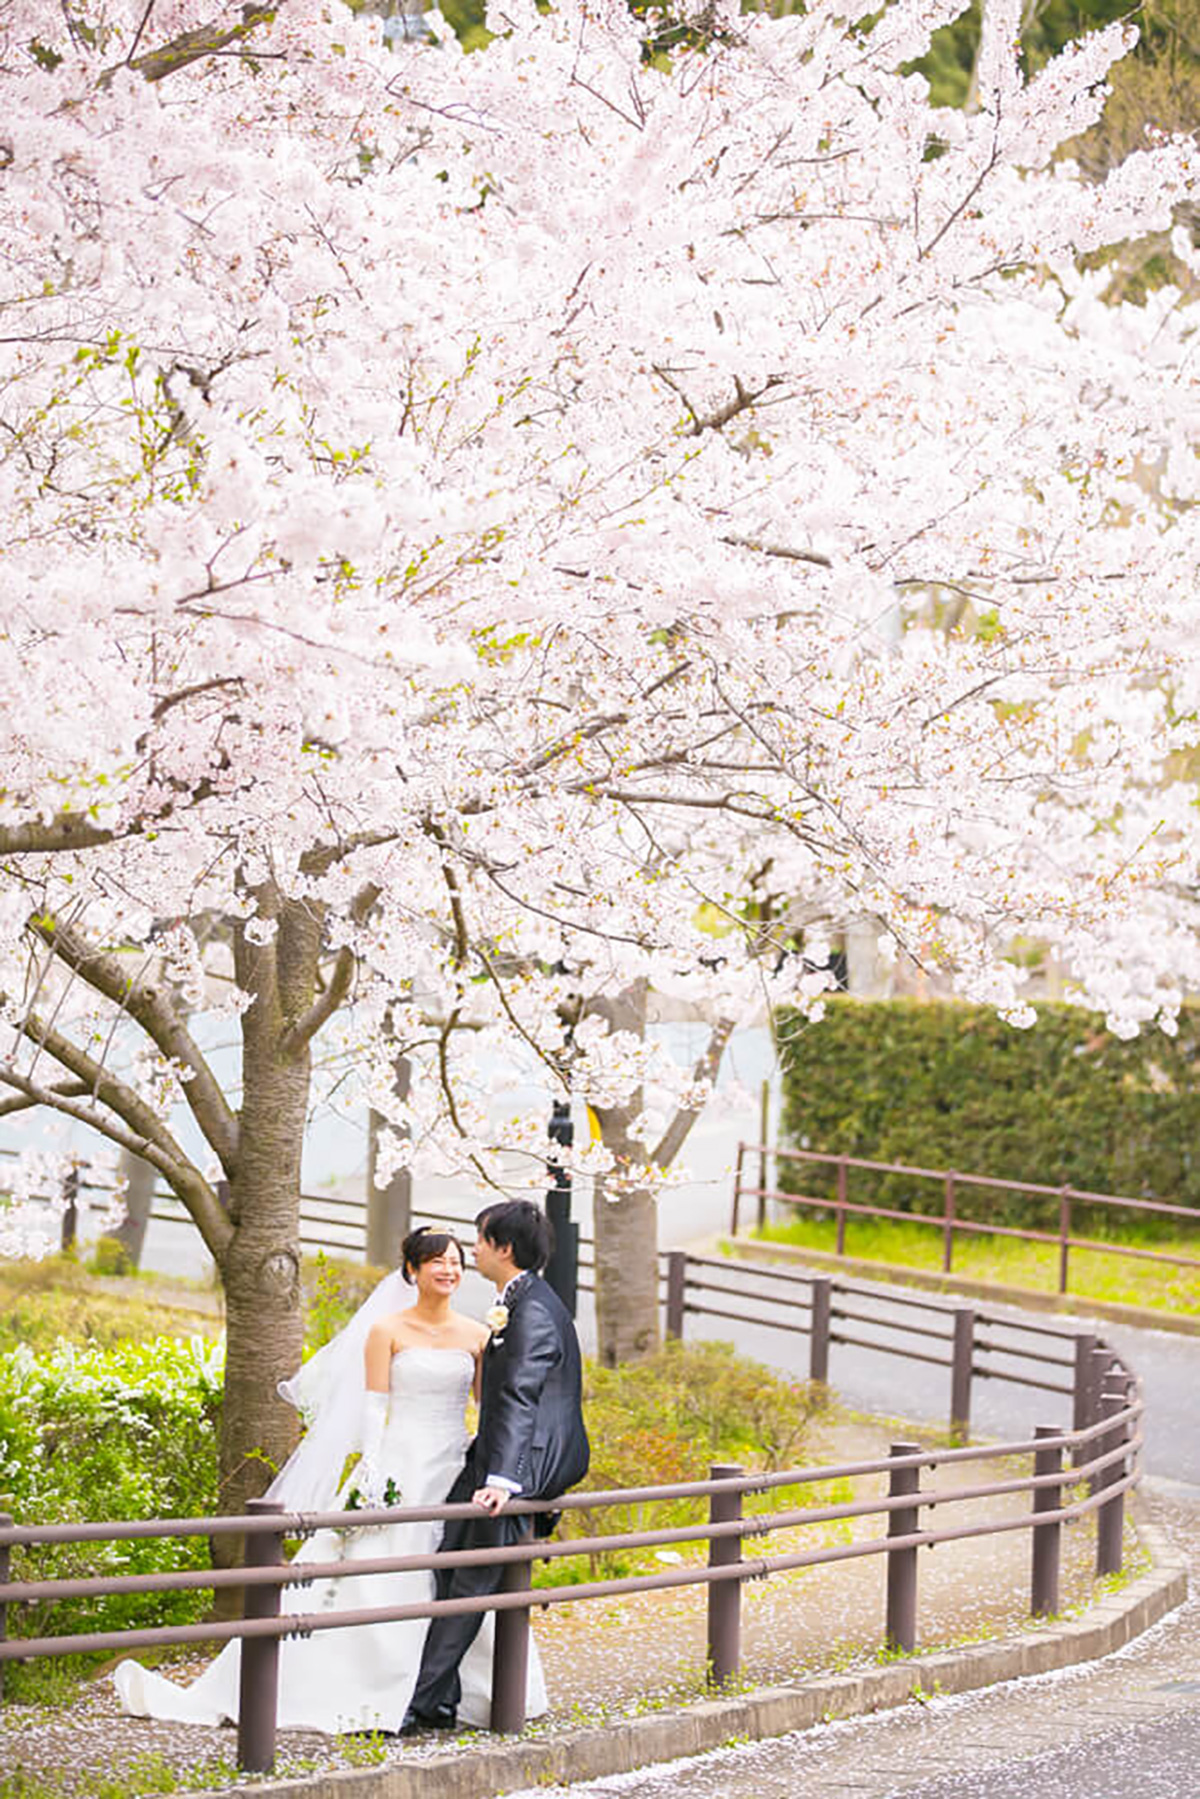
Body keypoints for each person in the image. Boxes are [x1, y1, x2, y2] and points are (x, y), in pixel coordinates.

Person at [113, 1225, 548, 1734]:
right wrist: (374, 1467)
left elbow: (491, 1410)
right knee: (377, 1571)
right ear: (413, 1270)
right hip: (399, 1464)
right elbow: (374, 1409)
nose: (449, 1269)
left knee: (462, 1572)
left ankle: (451, 1694)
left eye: (455, 1260)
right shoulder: (387, 1330)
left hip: (454, 1464)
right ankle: (365, 1689)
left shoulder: (478, 1335)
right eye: (437, 1262)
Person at [400, 1199, 590, 1734]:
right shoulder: (522, 1300)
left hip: (522, 1467)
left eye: (480, 1241)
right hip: (492, 1458)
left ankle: (418, 1705)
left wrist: (503, 1481)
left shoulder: (531, 1310)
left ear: (503, 1248)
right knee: (448, 1564)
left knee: (469, 1583)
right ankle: (438, 1699)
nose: (473, 1251)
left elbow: (522, 1396)